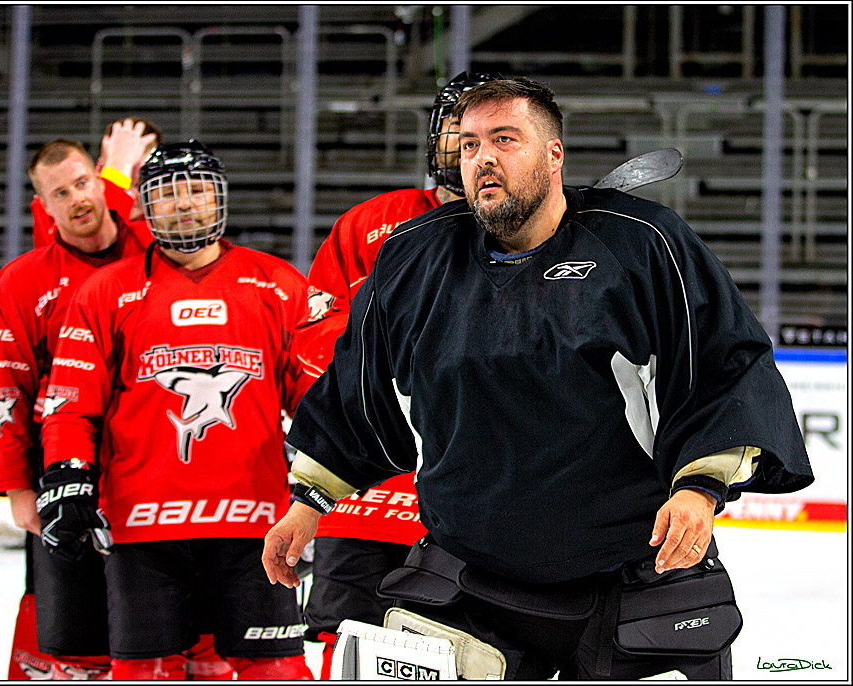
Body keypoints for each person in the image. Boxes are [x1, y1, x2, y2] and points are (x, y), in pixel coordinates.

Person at [264, 78, 814, 680]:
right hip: (471, 571)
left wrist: (700, 488)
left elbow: (724, 365)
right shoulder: (414, 257)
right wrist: (309, 502)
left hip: (632, 569)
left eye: (505, 139)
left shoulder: (643, 244)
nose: (483, 159)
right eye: (469, 146)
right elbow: (362, 391)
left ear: (554, 154)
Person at [39, 141, 315, 681]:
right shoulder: (106, 291)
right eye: (166, 194)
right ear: (144, 206)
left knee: (276, 670)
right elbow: (70, 401)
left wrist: (325, 484)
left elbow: (315, 400)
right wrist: (66, 471)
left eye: (195, 191)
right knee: (144, 672)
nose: (183, 204)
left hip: (258, 525)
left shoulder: (279, 285)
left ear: (219, 199)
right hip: (143, 527)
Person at [294, 70, 500, 678]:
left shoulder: (534, 232)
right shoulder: (368, 226)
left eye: (491, 138)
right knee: (344, 647)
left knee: (473, 651)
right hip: (363, 501)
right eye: (461, 137)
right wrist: (396, 351)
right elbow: (313, 342)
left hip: (479, 506)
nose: (473, 152)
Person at [0, 136, 155, 679]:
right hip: (62, 475)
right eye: (60, 192)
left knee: (158, 625)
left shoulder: (156, 250)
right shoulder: (22, 279)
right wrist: (17, 485)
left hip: (154, 471)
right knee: (65, 635)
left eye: (83, 183)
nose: (76, 198)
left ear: (102, 182)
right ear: (44, 206)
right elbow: (2, 388)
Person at [29, 117, 161, 248]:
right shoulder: (52, 205)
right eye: (126, 179)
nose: (132, 195)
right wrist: (118, 168)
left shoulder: (167, 229)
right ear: (99, 172)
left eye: (140, 183)